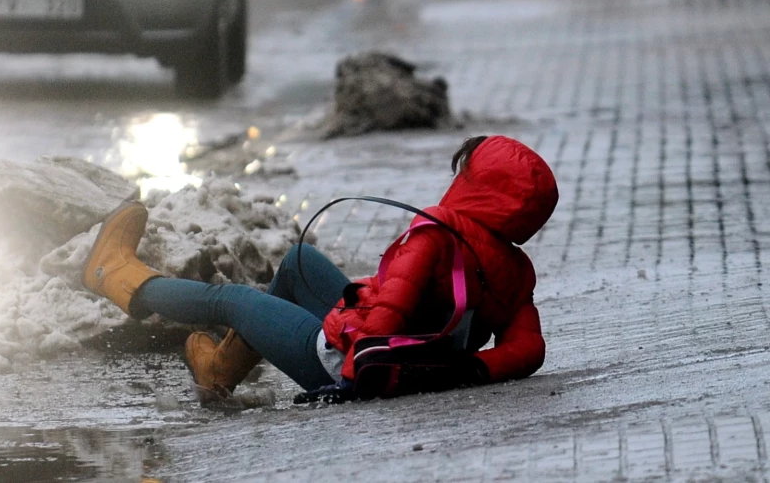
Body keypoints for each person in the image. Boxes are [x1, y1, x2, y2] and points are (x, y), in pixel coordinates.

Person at [82, 135, 558, 405]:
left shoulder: (438, 232)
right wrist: (466, 370)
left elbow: (391, 312)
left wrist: (352, 378)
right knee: (297, 262)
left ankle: (116, 275)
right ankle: (219, 370)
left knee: (231, 301)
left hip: (341, 359)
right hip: (392, 357)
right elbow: (528, 349)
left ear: (475, 185)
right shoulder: (517, 272)